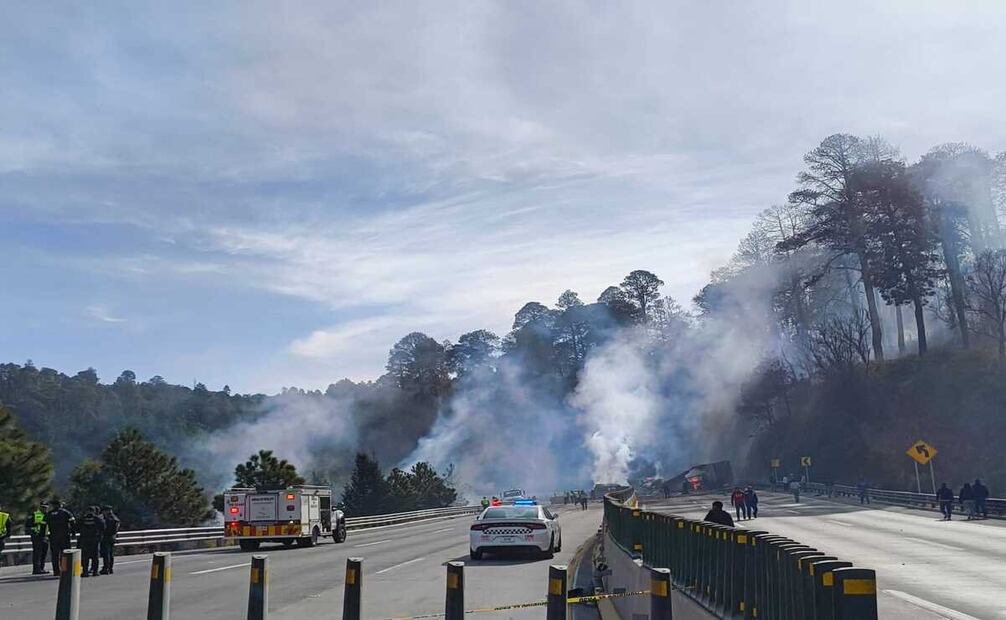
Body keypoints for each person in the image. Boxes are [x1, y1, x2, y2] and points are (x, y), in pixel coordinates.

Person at [45, 500, 75, 576]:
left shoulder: (49, 514)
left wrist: (44, 535)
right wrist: (73, 533)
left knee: (55, 555)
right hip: (64, 536)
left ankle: (56, 571)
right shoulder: (66, 513)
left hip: (53, 537)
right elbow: (72, 523)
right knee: (65, 554)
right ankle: (64, 569)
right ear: (60, 505)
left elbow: (43, 526)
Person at [76, 505, 104, 577]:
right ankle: (95, 571)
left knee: (85, 557)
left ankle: (85, 572)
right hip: (94, 539)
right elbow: (103, 527)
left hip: (85, 539)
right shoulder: (97, 519)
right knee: (95, 557)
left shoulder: (82, 519)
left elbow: (76, 527)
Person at [25, 501, 50, 574]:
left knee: (44, 553)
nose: (44, 509)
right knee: (37, 553)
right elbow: (28, 526)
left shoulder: (48, 515)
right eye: (43, 507)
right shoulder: (35, 515)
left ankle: (41, 568)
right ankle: (36, 569)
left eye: (46, 507)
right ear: (40, 507)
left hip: (45, 537)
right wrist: (34, 532)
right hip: (37, 536)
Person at [99, 505, 120, 575]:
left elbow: (104, 528)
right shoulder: (115, 518)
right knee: (111, 553)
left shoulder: (107, 519)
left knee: (106, 554)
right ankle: (110, 568)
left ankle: (106, 568)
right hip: (112, 537)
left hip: (106, 537)